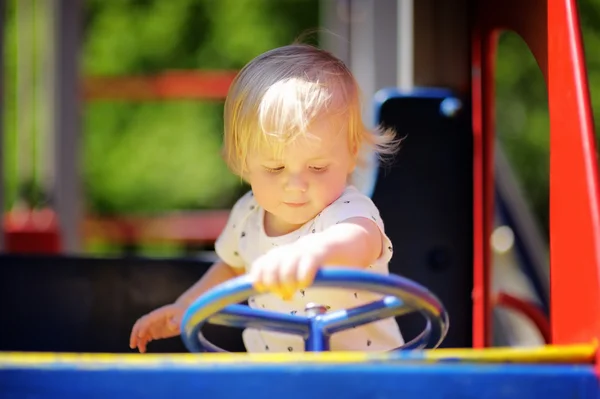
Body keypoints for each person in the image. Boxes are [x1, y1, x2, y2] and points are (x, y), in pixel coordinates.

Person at [129, 42, 403, 354]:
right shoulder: (248, 215)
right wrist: (187, 306)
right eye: (275, 168)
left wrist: (312, 252)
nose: (297, 185)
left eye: (317, 167)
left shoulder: (346, 211)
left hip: (365, 379)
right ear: (245, 161)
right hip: (277, 377)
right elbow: (232, 267)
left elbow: (359, 241)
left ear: (352, 153)